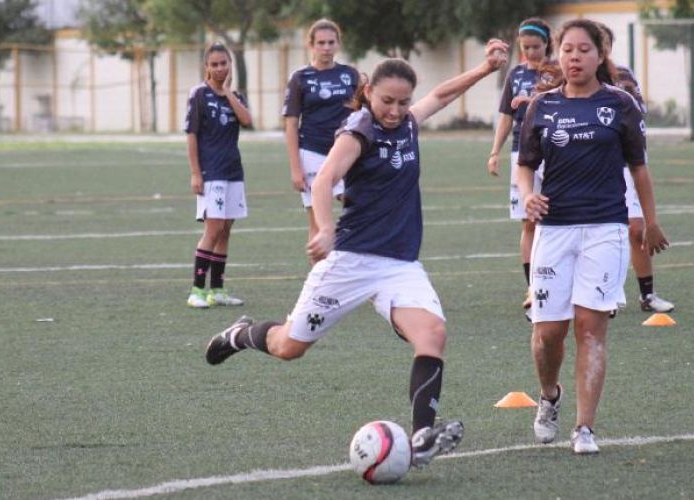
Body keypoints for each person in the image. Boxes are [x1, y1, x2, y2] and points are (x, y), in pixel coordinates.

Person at [205, 40, 509, 467]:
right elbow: (324, 178)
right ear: (369, 93)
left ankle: (422, 436)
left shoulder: (407, 124)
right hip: (351, 261)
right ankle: (240, 334)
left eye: (403, 102)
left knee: (433, 335)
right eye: (387, 101)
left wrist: (484, 68)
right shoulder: (358, 130)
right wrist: (326, 227)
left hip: (400, 264)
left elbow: (439, 95)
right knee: (289, 347)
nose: (396, 110)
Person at [517, 19, 669, 454]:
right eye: (568, 50)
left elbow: (639, 167)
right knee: (549, 334)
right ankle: (549, 397)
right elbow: (525, 164)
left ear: (600, 56)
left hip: (605, 229)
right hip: (555, 230)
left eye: (584, 50)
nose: (575, 57)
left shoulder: (619, 104)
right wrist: (528, 196)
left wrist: (651, 221)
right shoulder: (541, 108)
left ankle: (584, 428)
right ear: (557, 55)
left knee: (589, 329)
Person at [599, 24, 675, 314]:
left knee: (636, 229)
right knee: (603, 231)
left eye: (603, 42)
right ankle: (606, 295)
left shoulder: (624, 76)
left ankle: (648, 294)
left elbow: (637, 114)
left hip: (626, 164)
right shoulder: (578, 79)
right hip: (597, 167)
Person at [486, 18, 556, 312]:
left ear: (547, 45)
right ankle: (533, 286)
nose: (530, 53)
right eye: (525, 47)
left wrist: (535, 98)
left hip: (554, 152)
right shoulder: (515, 74)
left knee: (554, 220)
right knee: (529, 222)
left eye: (536, 47)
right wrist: (494, 152)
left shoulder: (558, 71)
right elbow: (505, 116)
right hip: (522, 154)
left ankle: (558, 280)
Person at [185, 42, 252, 308]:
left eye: (224, 63)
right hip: (210, 172)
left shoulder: (235, 96)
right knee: (212, 229)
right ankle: (197, 291)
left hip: (233, 171)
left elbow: (247, 120)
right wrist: (195, 173)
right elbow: (191, 135)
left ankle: (218, 290)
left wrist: (227, 93)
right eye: (214, 64)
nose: (220, 68)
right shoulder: (199, 95)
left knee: (225, 230)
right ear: (207, 67)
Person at [282, 19, 359, 252]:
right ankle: (318, 282)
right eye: (321, 43)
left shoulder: (350, 75)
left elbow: (361, 113)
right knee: (317, 221)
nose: (326, 47)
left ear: (338, 44)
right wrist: (296, 168)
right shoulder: (300, 78)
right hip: (312, 153)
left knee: (356, 207)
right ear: (311, 45)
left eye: (331, 42)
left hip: (344, 153)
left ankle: (354, 266)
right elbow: (291, 124)